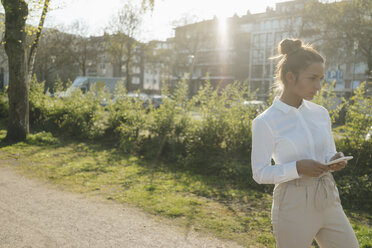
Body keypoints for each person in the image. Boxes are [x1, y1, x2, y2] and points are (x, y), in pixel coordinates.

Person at [251, 38, 359, 248]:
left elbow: (328, 153)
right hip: (293, 204)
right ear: (290, 77)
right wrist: (298, 167)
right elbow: (260, 173)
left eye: (321, 78)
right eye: (312, 78)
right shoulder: (266, 121)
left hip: (328, 197)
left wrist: (334, 161)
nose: (318, 86)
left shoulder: (321, 114)